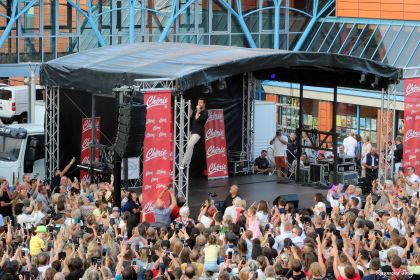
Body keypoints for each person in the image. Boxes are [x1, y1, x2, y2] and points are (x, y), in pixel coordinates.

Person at [180, 97, 208, 169]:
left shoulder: (205, 112)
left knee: (190, 145)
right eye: (198, 102)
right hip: (191, 131)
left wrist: (198, 111)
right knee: (189, 147)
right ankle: (188, 163)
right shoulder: (196, 110)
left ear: (204, 104)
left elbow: (197, 119)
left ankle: (183, 163)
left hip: (198, 132)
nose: (199, 104)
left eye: (201, 102)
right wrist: (189, 107)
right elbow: (190, 116)